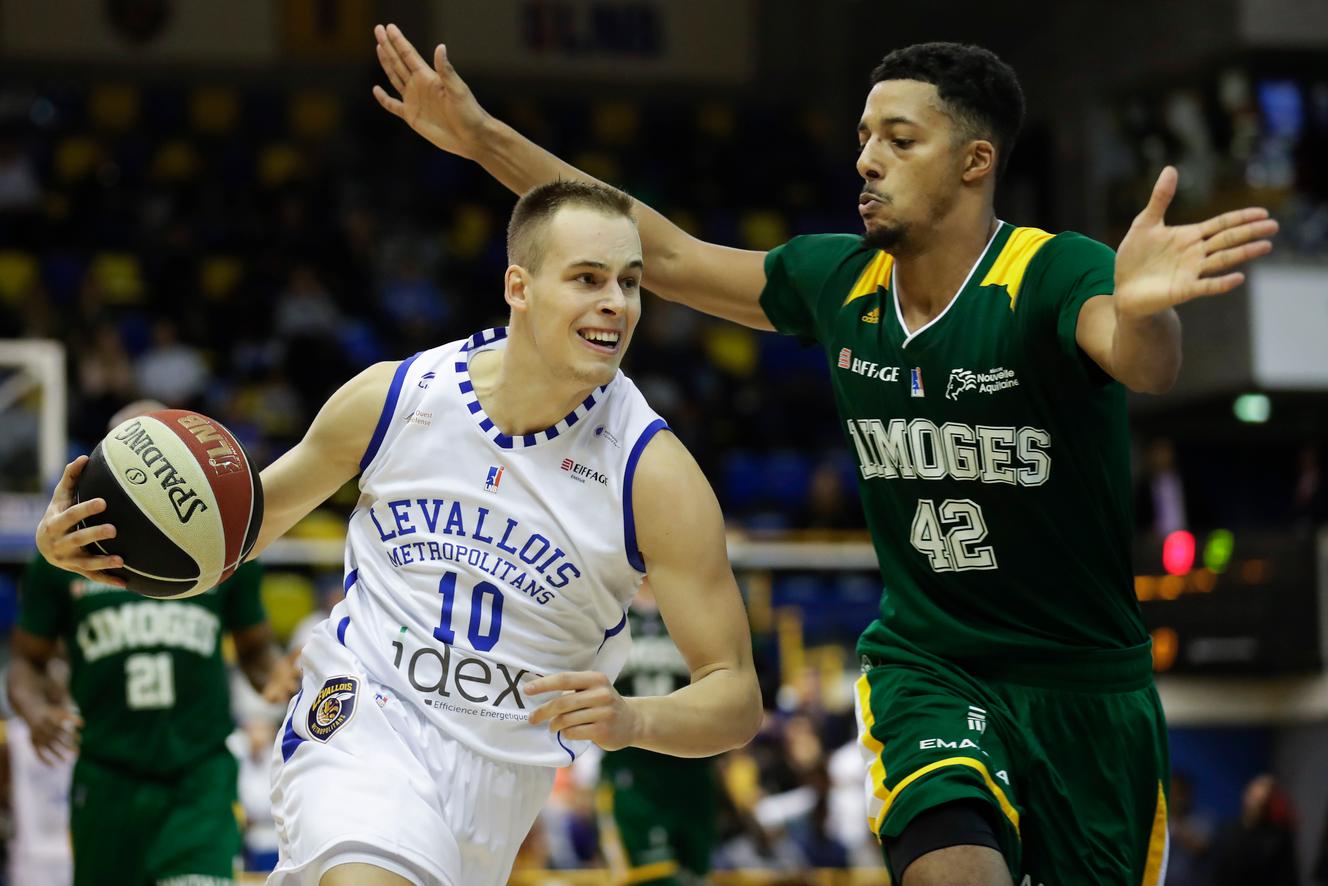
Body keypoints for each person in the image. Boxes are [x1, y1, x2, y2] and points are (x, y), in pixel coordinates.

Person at [372, 25, 1280, 885]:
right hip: (932, 668)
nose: (866, 159)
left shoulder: (1054, 273)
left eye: (898, 138)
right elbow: (669, 254)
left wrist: (1146, 307)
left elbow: (1140, 361)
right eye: (862, 137)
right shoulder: (838, 280)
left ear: (975, 161)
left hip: (1087, 689)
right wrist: (484, 138)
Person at [37, 180, 762, 886]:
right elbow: (241, 527)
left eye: (630, 283)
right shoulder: (397, 398)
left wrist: (634, 718)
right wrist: (89, 544)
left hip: (497, 787)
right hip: (362, 722)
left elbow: (734, 697)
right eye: (588, 278)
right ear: (519, 287)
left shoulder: (653, 473)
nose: (616, 303)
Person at [16, 399, 298, 886]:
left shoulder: (221, 551)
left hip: (198, 777)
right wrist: (34, 708)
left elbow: (254, 647)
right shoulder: (62, 557)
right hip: (107, 779)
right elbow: (26, 658)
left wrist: (273, 673)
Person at [597, 582, 720, 885]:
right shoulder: (604, 605)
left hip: (693, 766)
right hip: (632, 770)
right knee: (649, 879)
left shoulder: (698, 607)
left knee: (696, 876)